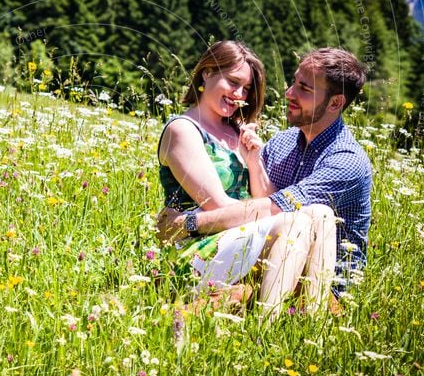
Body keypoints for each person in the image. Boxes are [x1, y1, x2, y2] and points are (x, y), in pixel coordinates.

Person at [159, 47, 372, 312]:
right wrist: (256, 162)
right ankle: (266, 327)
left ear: (335, 103)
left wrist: (188, 222)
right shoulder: (280, 144)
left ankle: (297, 321)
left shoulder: (346, 161)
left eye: (304, 89)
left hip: (323, 285)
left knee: (318, 214)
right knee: (302, 219)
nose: (289, 94)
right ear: (206, 74)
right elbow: (261, 205)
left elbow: (270, 207)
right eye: (294, 82)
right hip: (249, 250)